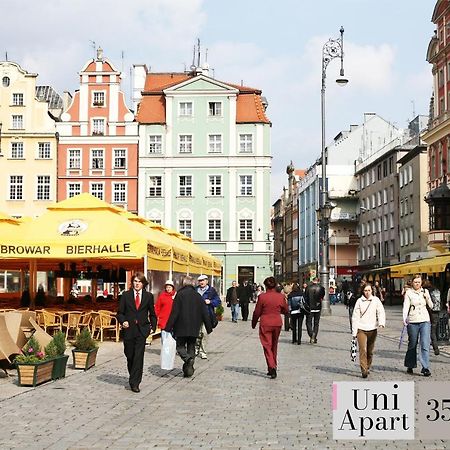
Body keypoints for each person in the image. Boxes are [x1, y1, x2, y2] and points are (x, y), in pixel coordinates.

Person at [164, 276, 212, 377]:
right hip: (194, 327)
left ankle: (188, 359)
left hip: (181, 326)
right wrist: (209, 327)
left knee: (180, 346)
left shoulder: (180, 295)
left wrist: (168, 327)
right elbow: (204, 312)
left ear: (183, 283)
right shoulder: (198, 296)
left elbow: (174, 312)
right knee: (191, 346)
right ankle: (188, 369)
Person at [117, 272, 157, 393]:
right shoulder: (126, 295)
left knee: (138, 357)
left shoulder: (148, 296)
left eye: (139, 282)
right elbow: (119, 313)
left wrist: (152, 328)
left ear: (143, 283)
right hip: (129, 330)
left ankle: (135, 383)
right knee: (130, 355)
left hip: (141, 331)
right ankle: (133, 376)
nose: (137, 284)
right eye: (135, 281)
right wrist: (123, 321)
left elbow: (152, 313)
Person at [251, 276, 288, 379]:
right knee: (274, 345)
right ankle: (272, 366)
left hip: (265, 323)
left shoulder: (262, 297)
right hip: (277, 322)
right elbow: (285, 310)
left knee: (267, 346)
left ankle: (272, 367)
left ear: (265, 286)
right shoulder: (280, 297)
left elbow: (257, 312)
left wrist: (254, 323)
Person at [351, 283, 386, 378]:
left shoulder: (376, 300)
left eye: (369, 290)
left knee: (370, 351)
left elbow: (381, 311)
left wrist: (381, 322)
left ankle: (368, 366)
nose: (367, 292)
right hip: (361, 329)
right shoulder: (359, 301)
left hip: (372, 329)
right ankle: (364, 369)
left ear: (372, 291)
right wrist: (354, 332)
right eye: (365, 290)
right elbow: (355, 317)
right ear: (363, 291)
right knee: (363, 349)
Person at [403, 274, 433, 377]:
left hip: (425, 320)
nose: (417, 284)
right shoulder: (408, 293)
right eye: (415, 282)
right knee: (412, 343)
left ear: (421, 283)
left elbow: (432, 306)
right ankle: (410, 364)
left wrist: (427, 297)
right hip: (413, 321)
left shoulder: (425, 292)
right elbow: (405, 307)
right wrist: (404, 319)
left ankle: (425, 367)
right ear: (412, 282)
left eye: (419, 282)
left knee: (425, 343)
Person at [196, 274, 221, 359]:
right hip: (197, 315)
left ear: (207, 281)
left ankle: (203, 351)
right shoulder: (196, 290)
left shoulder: (211, 290)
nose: (201, 282)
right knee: (197, 333)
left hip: (207, 315)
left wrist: (210, 302)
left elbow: (218, 301)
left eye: (203, 280)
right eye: (200, 281)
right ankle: (196, 349)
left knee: (204, 333)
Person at [304, 277, 325, 344]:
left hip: (309, 307)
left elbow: (305, 297)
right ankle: (314, 335)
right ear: (318, 281)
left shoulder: (308, 288)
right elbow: (322, 297)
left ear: (313, 281)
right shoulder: (321, 288)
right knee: (316, 323)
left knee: (308, 322)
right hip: (318, 307)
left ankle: (311, 334)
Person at [423, 279, 441, 356]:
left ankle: (435, 348)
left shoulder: (426, 291)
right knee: (435, 329)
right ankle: (435, 344)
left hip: (430, 312)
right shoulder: (437, 290)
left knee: (431, 331)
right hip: (437, 311)